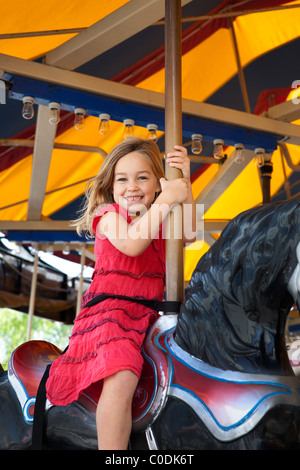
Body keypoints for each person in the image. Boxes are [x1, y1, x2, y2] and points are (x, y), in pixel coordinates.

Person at [46, 137, 196, 450]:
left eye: (142, 177)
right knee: (123, 374)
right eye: (122, 179)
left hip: (152, 317)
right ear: (111, 187)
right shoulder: (109, 216)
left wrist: (185, 182)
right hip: (111, 316)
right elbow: (132, 244)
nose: (132, 186)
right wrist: (167, 200)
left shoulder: (160, 220)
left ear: (157, 183)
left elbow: (190, 235)